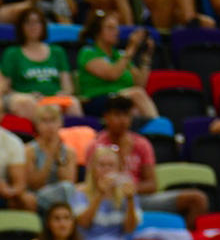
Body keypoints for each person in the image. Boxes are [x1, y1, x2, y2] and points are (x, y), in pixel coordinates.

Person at [86, 94, 207, 227]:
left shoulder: (141, 144)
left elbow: (151, 185)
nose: (122, 120)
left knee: (197, 199)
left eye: (126, 115)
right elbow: (90, 181)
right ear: (106, 117)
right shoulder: (96, 146)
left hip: (138, 198)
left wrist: (130, 190)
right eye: (117, 115)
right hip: (105, 198)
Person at [76, 11, 157, 119]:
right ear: (97, 31)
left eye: (116, 28)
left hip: (124, 101)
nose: (116, 32)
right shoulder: (88, 53)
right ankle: (161, 128)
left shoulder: (119, 55)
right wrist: (131, 48)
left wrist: (145, 58)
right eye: (110, 28)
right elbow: (112, 74)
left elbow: (140, 84)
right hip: (98, 100)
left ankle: (153, 133)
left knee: (136, 111)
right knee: (137, 95)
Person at [73, 144, 141, 240]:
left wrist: (130, 200)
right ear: (93, 168)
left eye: (111, 165)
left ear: (118, 168)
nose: (106, 169)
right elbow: (83, 223)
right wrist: (99, 195)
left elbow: (130, 228)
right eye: (102, 165)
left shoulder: (127, 192)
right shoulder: (80, 193)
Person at [25, 104, 78, 210]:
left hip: (62, 195)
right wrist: (49, 157)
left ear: (60, 123)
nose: (49, 126)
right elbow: (34, 184)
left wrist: (58, 156)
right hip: (38, 196)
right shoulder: (29, 150)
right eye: (45, 121)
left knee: (67, 188)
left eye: (53, 120)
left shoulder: (69, 151)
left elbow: (69, 182)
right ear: (37, 125)